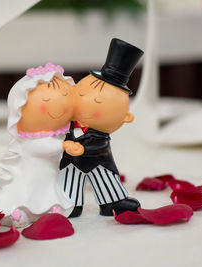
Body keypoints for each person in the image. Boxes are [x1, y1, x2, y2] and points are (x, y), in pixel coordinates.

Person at [0, 62, 74, 227]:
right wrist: (64, 146)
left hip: (49, 176)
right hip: (30, 177)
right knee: (27, 194)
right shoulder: (28, 142)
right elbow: (42, 149)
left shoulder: (61, 135)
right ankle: (21, 211)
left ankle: (51, 208)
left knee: (49, 191)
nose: (61, 107)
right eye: (47, 100)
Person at [60, 38, 144, 217]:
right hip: (70, 164)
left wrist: (82, 147)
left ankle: (112, 203)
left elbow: (99, 145)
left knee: (106, 182)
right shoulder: (66, 124)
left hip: (99, 163)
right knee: (68, 184)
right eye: (81, 93)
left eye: (97, 101)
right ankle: (70, 204)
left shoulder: (100, 136)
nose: (85, 100)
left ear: (125, 118)